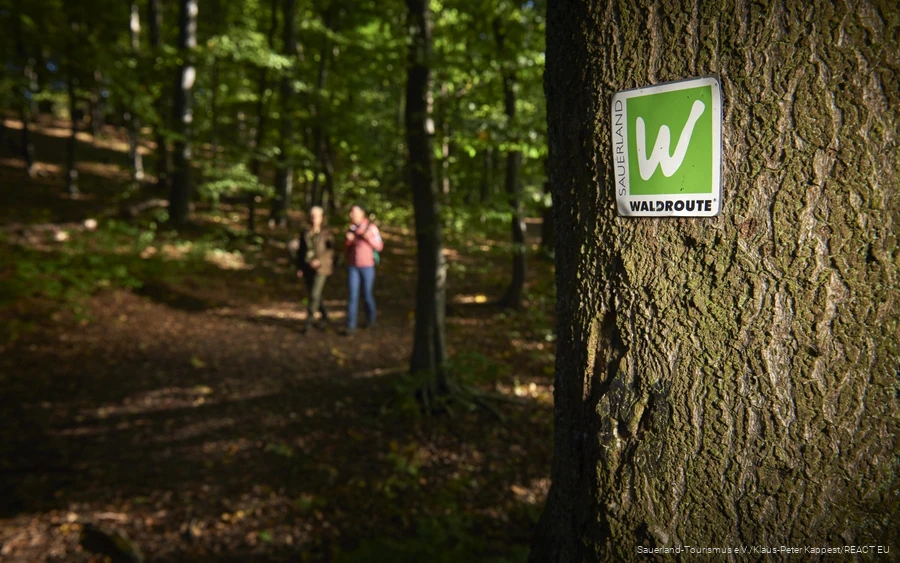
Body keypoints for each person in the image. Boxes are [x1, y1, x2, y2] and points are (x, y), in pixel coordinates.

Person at [344, 204, 384, 335]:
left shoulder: (371, 228)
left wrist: (368, 237)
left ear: (362, 213)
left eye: (354, 212)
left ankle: (370, 319)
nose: (351, 215)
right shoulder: (351, 228)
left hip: (367, 267)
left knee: (367, 294)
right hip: (353, 267)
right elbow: (346, 249)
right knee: (352, 295)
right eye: (351, 212)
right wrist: (348, 241)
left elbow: (379, 246)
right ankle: (351, 326)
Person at [296, 206, 335, 332]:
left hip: (321, 268)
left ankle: (309, 321)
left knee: (314, 295)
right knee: (315, 294)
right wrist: (300, 267)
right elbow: (301, 251)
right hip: (308, 267)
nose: (314, 219)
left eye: (317, 216)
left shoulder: (327, 233)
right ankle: (324, 315)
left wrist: (320, 261)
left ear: (322, 218)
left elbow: (330, 250)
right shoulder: (305, 232)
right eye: (312, 216)